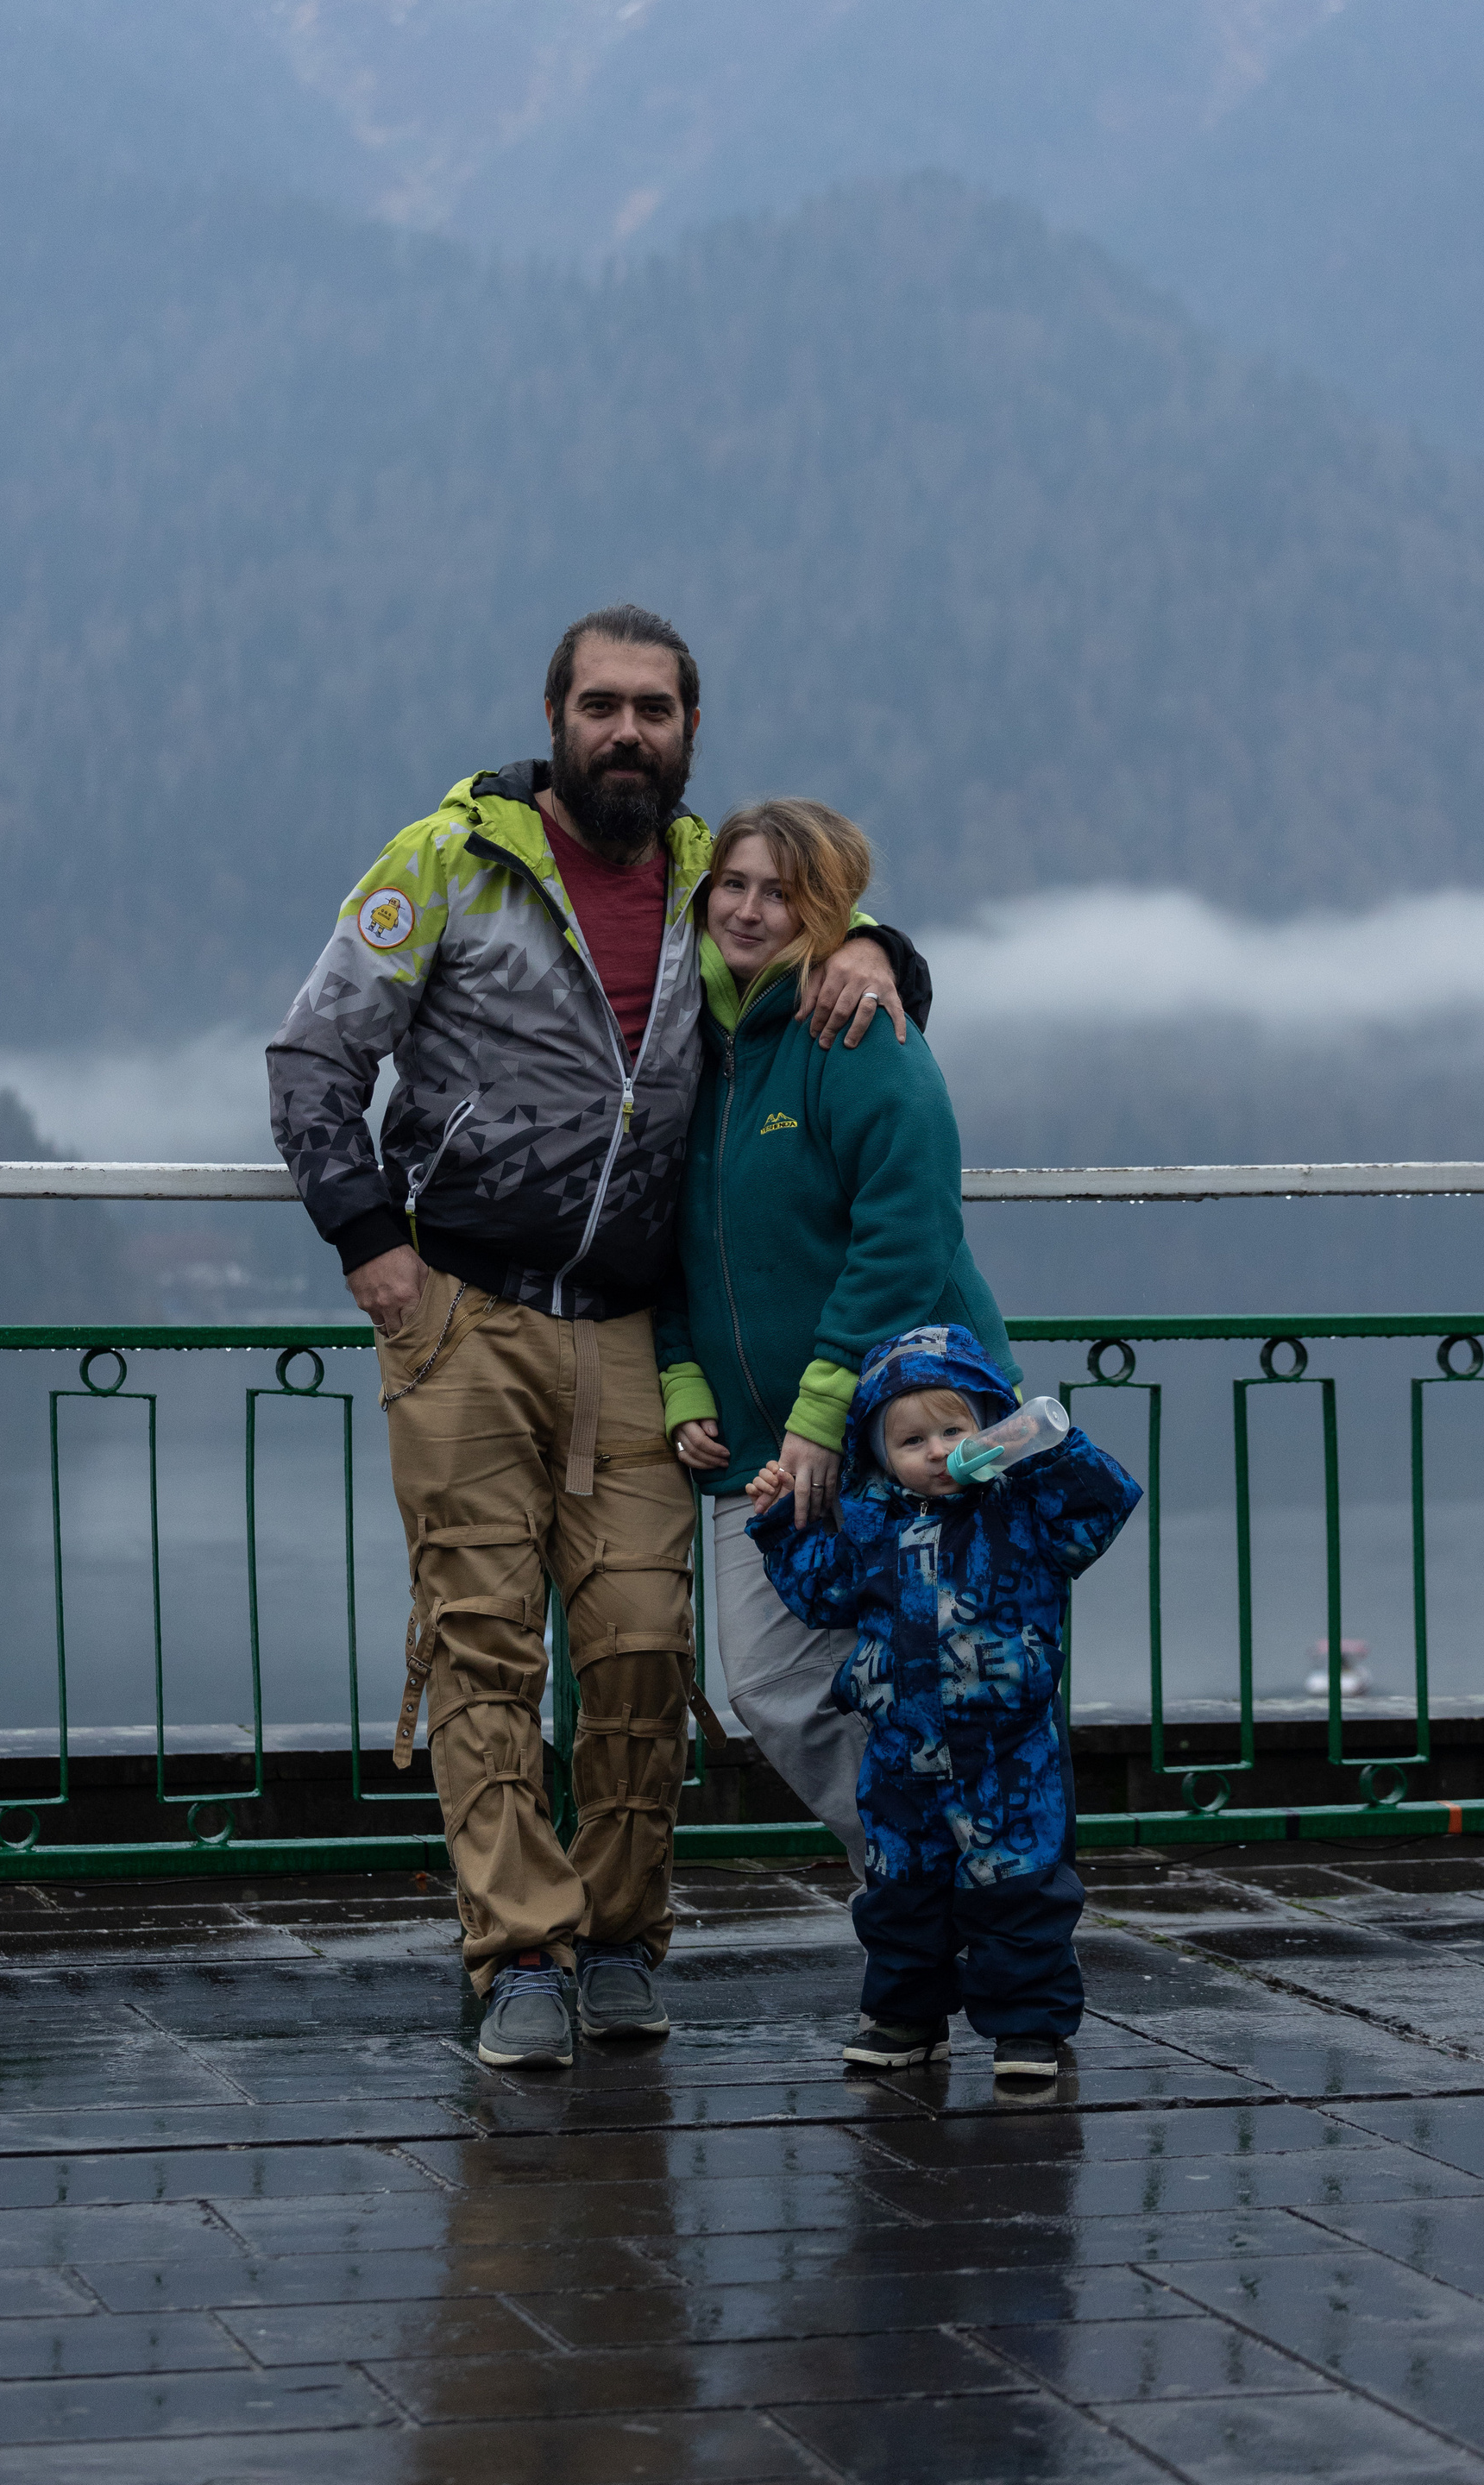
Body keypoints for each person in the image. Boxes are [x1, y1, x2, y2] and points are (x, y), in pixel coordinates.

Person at [267, 605, 921, 2069]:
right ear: (556, 718)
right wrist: (369, 1243)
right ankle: (519, 1958)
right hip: (464, 1315)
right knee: (483, 1651)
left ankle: (622, 1938)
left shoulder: (705, 879)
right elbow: (316, 1054)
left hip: (635, 1332)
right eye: (603, 705)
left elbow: (804, 940)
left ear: (689, 733)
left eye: (655, 710)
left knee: (639, 1650)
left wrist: (881, 946)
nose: (628, 732)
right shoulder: (448, 860)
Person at [657, 799, 1019, 1877]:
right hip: (758, 1445)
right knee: (776, 1685)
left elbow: (908, 1234)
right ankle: (931, 1877)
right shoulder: (678, 1039)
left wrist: (824, 1410)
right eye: (733, 886)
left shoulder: (858, 1028)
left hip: (908, 1427)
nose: (750, 911)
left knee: (939, 1678)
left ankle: (969, 1904)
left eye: (783, 893)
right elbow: (651, 1230)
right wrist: (680, 1371)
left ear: (829, 910)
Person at [746, 1323, 1141, 2080]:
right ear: (879, 1455)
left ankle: (1027, 2027)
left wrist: (1046, 1450)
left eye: (954, 1431)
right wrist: (776, 1521)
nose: (936, 1452)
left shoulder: (1024, 1512)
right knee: (901, 1892)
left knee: (1019, 1890)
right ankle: (906, 2018)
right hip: (901, 1753)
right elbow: (820, 1593)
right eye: (911, 1441)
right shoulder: (870, 1524)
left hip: (1009, 1753)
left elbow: (1102, 1508)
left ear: (990, 1428)